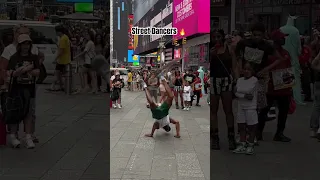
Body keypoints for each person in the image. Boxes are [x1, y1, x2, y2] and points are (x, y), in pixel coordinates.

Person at [1, 24, 43, 143]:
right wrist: (5, 83)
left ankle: (29, 134)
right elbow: (4, 68)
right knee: (15, 109)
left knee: (30, 110)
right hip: (13, 86)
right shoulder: (9, 49)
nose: (25, 36)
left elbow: (39, 61)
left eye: (27, 33)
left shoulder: (33, 49)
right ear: (15, 35)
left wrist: (32, 68)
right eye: (21, 33)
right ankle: (14, 134)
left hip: (30, 86)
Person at [257, 29, 293, 142]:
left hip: (284, 87)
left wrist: (290, 86)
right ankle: (258, 133)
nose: (284, 39)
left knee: (283, 112)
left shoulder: (286, 53)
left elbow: (289, 69)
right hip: (270, 87)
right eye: (282, 38)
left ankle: (279, 133)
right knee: (263, 111)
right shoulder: (268, 53)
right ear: (276, 39)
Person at [210, 29, 238, 150]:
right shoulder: (211, 51)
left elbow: (235, 66)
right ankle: (215, 138)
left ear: (223, 37)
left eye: (219, 36)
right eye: (214, 37)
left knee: (228, 110)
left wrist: (237, 81)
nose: (217, 39)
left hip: (227, 80)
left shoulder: (230, 49)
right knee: (213, 111)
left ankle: (231, 137)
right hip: (214, 80)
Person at [144, 73, 180, 138]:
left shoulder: (167, 121)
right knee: (151, 102)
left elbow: (177, 122)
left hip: (162, 111)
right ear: (164, 128)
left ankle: (162, 78)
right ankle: (145, 87)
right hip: (159, 113)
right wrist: (151, 134)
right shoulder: (160, 125)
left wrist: (178, 134)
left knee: (171, 97)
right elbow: (153, 128)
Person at [233, 62, 258, 155]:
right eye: (245, 69)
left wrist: (238, 90)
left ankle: (250, 145)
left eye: (249, 69)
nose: (246, 71)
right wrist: (243, 95)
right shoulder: (239, 80)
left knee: (252, 127)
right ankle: (242, 144)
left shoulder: (254, 80)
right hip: (241, 106)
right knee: (241, 126)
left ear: (252, 71)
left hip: (251, 107)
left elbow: (248, 91)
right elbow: (235, 93)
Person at [48, 25, 71, 91]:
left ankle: (54, 85)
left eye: (56, 31)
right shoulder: (65, 37)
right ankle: (62, 86)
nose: (56, 33)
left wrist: (55, 59)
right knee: (60, 74)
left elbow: (61, 51)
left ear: (59, 32)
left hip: (63, 60)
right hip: (65, 59)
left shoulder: (63, 39)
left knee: (58, 73)